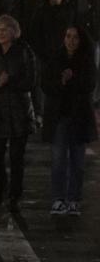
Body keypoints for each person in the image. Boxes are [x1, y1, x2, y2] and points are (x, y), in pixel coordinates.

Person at [0, 15, 37, 213]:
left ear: (14, 31)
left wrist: (9, 81)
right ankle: (1, 185)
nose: (0, 33)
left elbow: (30, 81)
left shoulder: (24, 50)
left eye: (4, 29)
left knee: (16, 156)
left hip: (20, 109)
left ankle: (15, 194)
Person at [41, 24, 97, 216]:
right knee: (58, 159)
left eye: (75, 37)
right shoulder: (55, 58)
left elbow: (89, 85)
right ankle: (58, 198)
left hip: (79, 116)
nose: (71, 41)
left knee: (77, 161)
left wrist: (72, 80)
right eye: (68, 36)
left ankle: (74, 199)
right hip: (59, 115)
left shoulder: (87, 60)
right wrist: (61, 82)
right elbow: (45, 84)